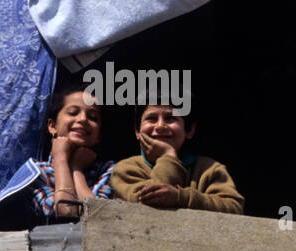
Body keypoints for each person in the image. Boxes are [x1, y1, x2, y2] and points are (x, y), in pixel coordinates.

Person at [111, 103, 244, 214]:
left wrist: (181, 197)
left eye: (170, 118)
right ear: (137, 131)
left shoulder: (209, 169)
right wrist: (168, 156)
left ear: (189, 130)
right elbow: (149, 207)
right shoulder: (126, 169)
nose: (160, 126)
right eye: (151, 118)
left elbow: (234, 208)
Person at [30, 85, 115, 221]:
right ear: (52, 126)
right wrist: (61, 160)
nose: (82, 119)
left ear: (99, 135)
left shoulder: (108, 170)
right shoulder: (36, 173)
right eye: (73, 112)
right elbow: (66, 212)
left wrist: (77, 170)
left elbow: (98, 216)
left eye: (92, 117)